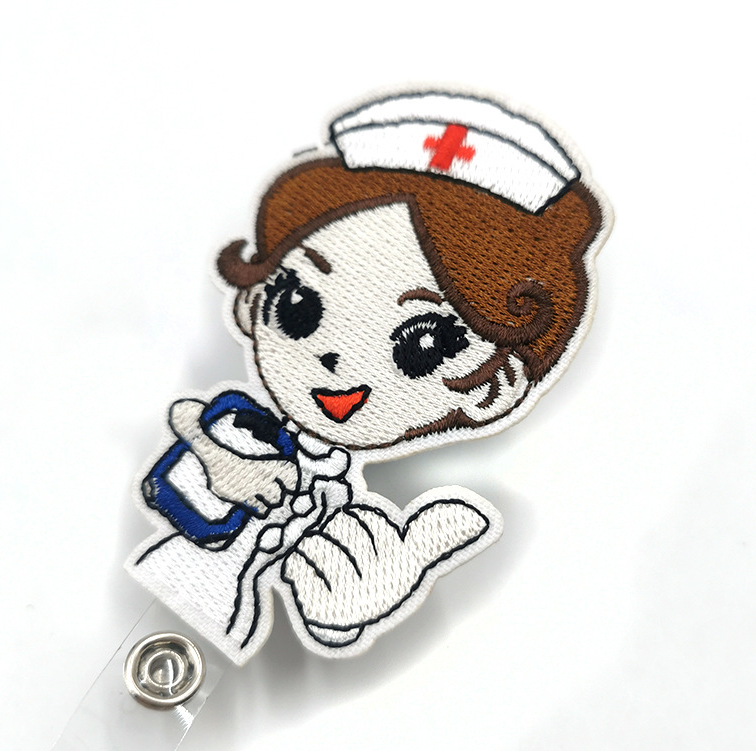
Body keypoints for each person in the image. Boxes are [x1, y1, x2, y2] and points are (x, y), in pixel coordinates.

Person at [128, 90, 609, 665]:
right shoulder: (244, 427)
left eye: (422, 344)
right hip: (161, 595)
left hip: (225, 637)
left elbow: (324, 592)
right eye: (300, 307)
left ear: (492, 387)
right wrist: (217, 460)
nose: (334, 362)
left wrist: (352, 601)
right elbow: (185, 445)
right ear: (254, 300)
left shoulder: (339, 496)